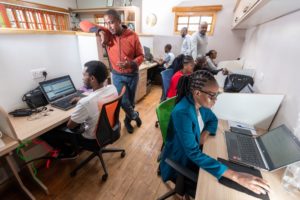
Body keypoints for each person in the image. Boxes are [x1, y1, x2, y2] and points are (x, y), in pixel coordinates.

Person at [160, 70, 270, 195]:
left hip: (195, 150)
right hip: (183, 158)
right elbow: (192, 153)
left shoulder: (199, 105)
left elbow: (213, 120)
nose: (215, 100)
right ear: (197, 93)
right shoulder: (183, 113)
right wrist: (235, 176)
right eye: (212, 95)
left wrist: (204, 134)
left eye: (217, 95)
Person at [79, 9, 144, 134]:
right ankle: (135, 115)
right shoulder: (107, 33)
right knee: (123, 101)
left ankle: (127, 121)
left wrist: (132, 63)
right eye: (107, 23)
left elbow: (141, 56)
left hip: (132, 75)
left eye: (112, 22)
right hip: (117, 75)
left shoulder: (133, 36)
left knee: (130, 101)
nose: (109, 26)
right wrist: (99, 31)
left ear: (119, 21)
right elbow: (83, 24)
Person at [41, 61, 118, 159]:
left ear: (92, 78)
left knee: (48, 133)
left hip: (92, 139)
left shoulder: (86, 102)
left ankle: (70, 152)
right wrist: (82, 100)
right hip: (110, 130)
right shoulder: (112, 88)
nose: (82, 78)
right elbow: (97, 98)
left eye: (84, 75)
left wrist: (81, 104)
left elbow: (70, 125)